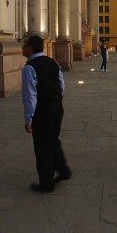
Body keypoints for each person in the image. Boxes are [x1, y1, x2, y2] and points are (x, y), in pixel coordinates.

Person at [21, 35, 72, 193]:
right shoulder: (53, 62)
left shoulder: (29, 67)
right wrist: (55, 98)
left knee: (42, 145)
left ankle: (46, 182)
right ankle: (63, 170)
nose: (22, 48)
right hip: (57, 108)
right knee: (53, 139)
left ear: (30, 48)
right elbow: (61, 85)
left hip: (42, 111)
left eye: (24, 45)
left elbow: (30, 96)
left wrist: (29, 118)